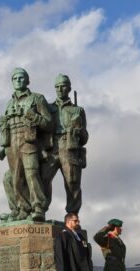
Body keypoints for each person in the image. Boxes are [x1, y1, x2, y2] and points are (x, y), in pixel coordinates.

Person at [0, 67, 52, 222]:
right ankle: (22, 209)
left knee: (32, 173)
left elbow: (49, 124)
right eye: (15, 78)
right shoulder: (9, 104)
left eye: (21, 78)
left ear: (28, 81)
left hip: (29, 141)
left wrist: (33, 116)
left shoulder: (37, 99)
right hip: (11, 144)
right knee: (15, 179)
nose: (18, 81)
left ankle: (38, 208)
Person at [41, 74, 88, 215]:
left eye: (63, 86)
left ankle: (72, 214)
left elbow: (85, 137)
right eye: (57, 87)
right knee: (43, 178)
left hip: (70, 147)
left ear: (69, 88)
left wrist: (78, 131)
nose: (60, 89)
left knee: (72, 182)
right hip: (51, 147)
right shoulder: (48, 108)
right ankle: (41, 209)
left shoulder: (78, 110)